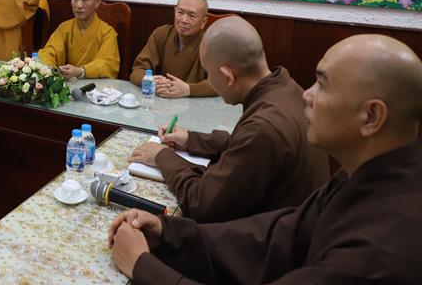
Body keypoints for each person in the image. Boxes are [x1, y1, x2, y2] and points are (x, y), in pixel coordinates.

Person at [109, 34, 422, 284]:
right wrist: (167, 232)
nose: (306, 94)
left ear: (371, 116)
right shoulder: (361, 177)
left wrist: (142, 266)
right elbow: (276, 236)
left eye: (323, 85)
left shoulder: (379, 250)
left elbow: (209, 204)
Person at [129, 16, 328, 222]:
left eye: (208, 73)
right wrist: (190, 139)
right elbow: (242, 143)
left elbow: (202, 204)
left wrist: (162, 157)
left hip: (274, 236)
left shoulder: (264, 126)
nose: (210, 81)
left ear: (228, 76)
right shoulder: (286, 88)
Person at [129, 0, 214, 97]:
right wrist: (150, 81)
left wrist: (189, 89)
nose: (184, 20)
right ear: (175, 12)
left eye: (192, 16)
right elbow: (138, 70)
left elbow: (219, 83)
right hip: (161, 99)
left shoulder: (211, 44)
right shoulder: (161, 34)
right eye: (180, 12)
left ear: (203, 22)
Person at [38, 0, 119, 79]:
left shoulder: (107, 32)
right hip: (68, 83)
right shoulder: (64, 28)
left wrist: (81, 71)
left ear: (97, 2)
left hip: (95, 86)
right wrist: (51, 69)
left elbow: (109, 64)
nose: (78, 5)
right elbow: (48, 52)